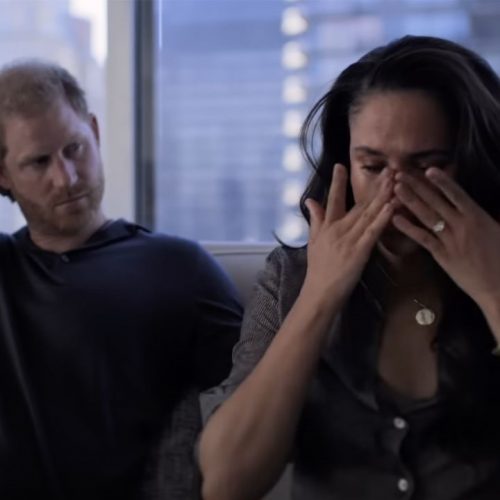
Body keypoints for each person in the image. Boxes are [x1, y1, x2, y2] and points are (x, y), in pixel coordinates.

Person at [198, 35, 500, 500]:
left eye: (428, 165)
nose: (396, 194)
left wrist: (494, 290)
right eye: (373, 167)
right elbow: (226, 483)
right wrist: (319, 296)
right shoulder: (292, 279)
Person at [0, 60, 242, 499]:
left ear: (94, 131)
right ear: (4, 175)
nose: (66, 178)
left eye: (74, 148)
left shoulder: (178, 267)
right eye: (38, 162)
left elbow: (265, 404)